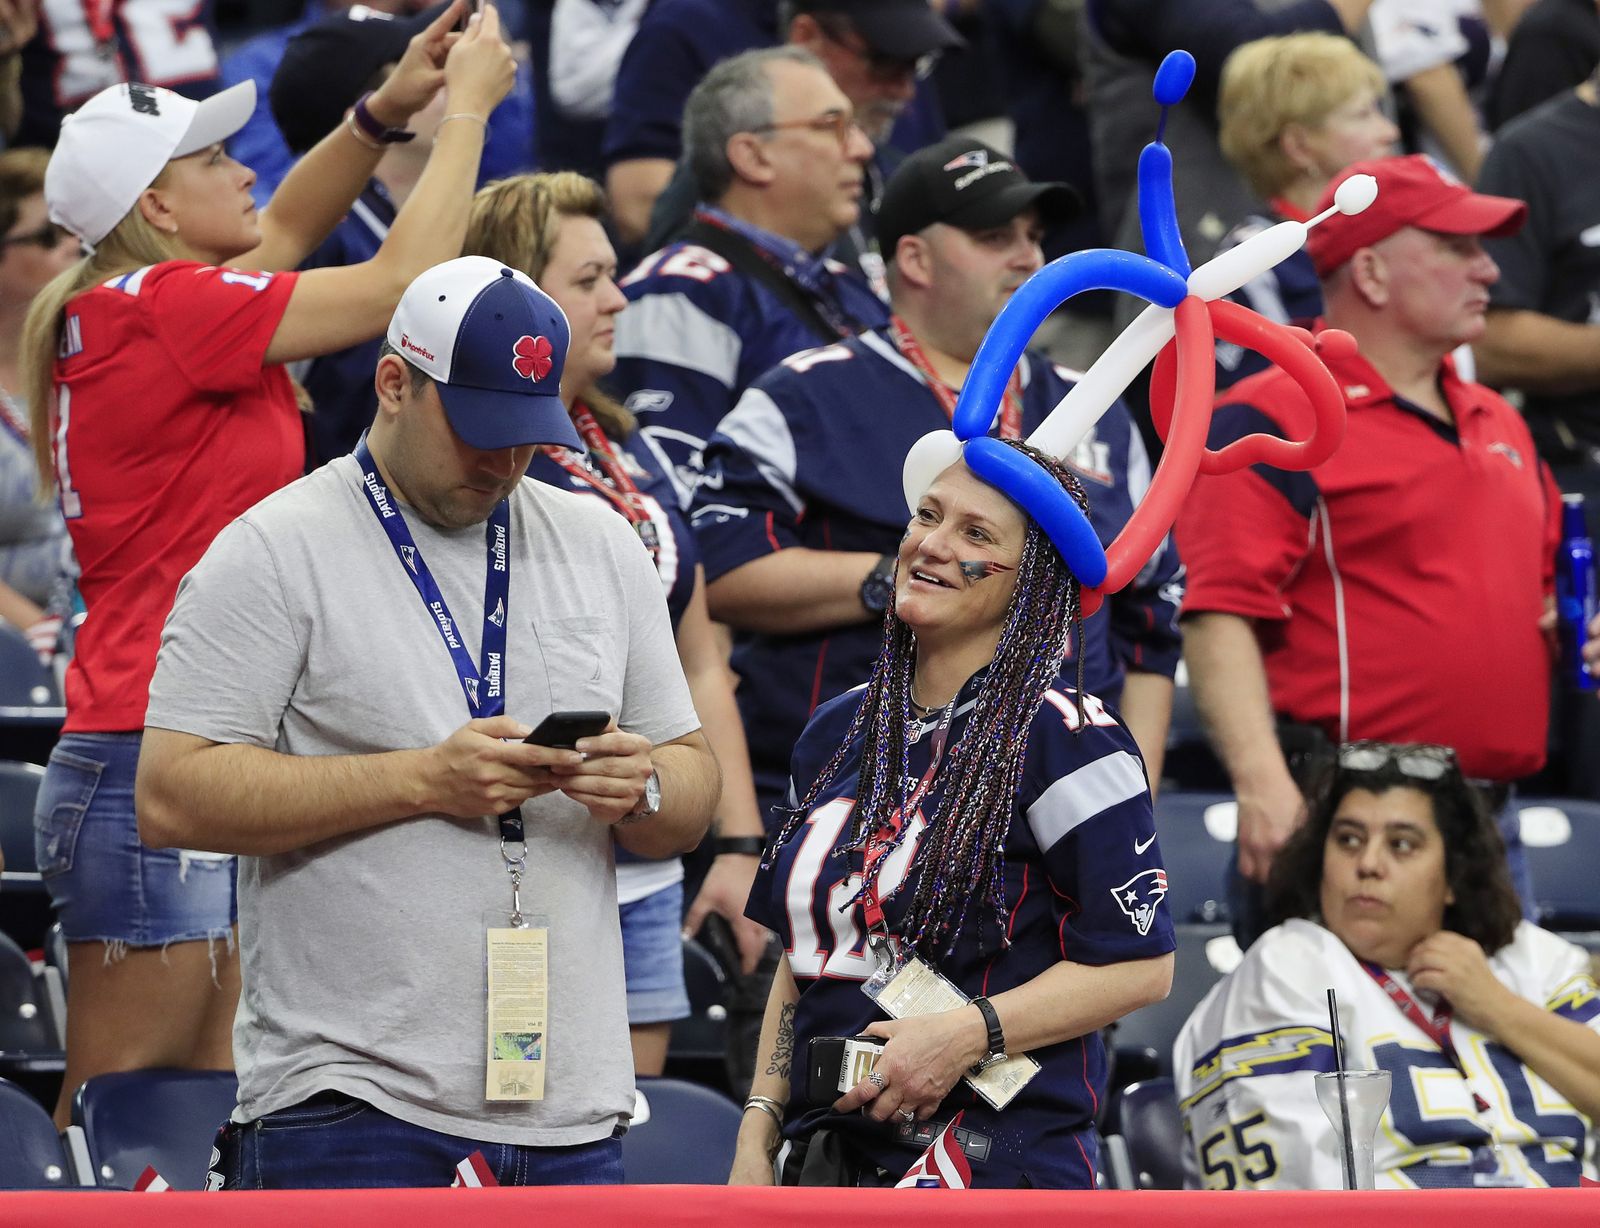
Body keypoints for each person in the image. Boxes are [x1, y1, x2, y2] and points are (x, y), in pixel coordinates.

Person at [21, 2, 514, 1127]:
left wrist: (385, 110)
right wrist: (470, 111)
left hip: (172, 742)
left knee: (188, 1108)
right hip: (157, 750)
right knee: (126, 1117)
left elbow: (288, 223)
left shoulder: (148, 301)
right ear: (156, 205)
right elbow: (402, 289)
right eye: (214, 161)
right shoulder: (175, 309)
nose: (247, 176)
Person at [135, 255, 721, 1188]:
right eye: (480, 428)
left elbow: (692, 782)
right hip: (351, 1102)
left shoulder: (600, 541)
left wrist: (641, 783)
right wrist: (419, 780)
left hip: (572, 1101)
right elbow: (169, 794)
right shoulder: (272, 550)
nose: (505, 462)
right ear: (394, 382)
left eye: (529, 433)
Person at [691, 135, 1182, 823]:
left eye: (1034, 235)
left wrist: (1132, 801)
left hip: (1057, 811)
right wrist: (906, 575)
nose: (1029, 257)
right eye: (993, 235)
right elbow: (715, 572)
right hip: (853, 805)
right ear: (913, 258)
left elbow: (1152, 620)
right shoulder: (802, 397)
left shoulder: (1095, 402)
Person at [728, 443, 1176, 1190]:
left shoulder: (1070, 737)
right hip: (824, 1157)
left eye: (976, 535)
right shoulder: (836, 729)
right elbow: (806, 954)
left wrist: (965, 1035)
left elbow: (1142, 967)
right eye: (926, 516)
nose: (931, 544)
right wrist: (757, 1126)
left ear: (1030, 583)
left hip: (991, 1161)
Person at [1178, 154, 1560, 950]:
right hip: (1348, 822)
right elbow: (1217, 611)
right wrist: (1261, 784)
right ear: (1375, 272)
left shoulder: (1500, 418)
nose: (1489, 269)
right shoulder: (1275, 408)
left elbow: (1544, 591)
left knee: (1484, 1071)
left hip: (1490, 820)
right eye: (1459, 247)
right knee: (1330, 1068)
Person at [463, 172, 770, 1076]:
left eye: (614, 273)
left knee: (624, 1126)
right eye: (589, 278)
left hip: (639, 849)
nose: (619, 297)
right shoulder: (479, 458)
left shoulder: (629, 449)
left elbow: (700, 657)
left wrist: (739, 841)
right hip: (526, 855)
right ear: (518, 298)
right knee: (515, 1112)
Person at [1175, 741, 1600, 1188]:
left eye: (1402, 845)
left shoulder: (1531, 956)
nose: (1368, 864)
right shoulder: (1288, 966)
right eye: (1348, 840)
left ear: (1453, 876)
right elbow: (1286, 1196)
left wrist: (1498, 1007)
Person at [610, 46, 891, 497]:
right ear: (753, 156)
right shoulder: (678, 290)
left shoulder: (851, 288)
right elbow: (676, 501)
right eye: (832, 126)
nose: (862, 148)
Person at [602, 0, 960, 250]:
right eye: (885, 63)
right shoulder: (690, 28)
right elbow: (636, 206)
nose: (905, 89)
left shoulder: (894, 89)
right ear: (805, 36)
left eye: (918, 62)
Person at [1213, 32, 1398, 389]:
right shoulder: (1254, 261)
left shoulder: (1396, 235)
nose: (1389, 131)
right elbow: (1250, 405)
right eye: (1363, 114)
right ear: (1299, 146)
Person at [0, 149, 76, 659]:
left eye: (78, 231)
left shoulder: (96, 360)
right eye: (50, 236)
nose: (74, 248)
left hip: (109, 631)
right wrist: (42, 635)